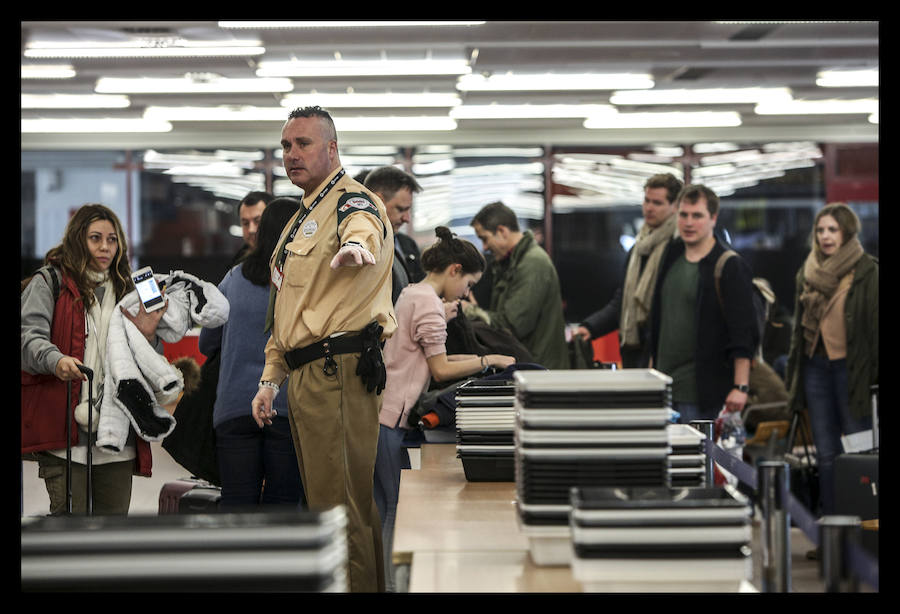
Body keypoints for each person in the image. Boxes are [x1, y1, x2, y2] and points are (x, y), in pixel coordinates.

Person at [250, 105, 396, 593]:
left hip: (339, 370)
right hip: (308, 375)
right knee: (329, 505)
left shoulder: (354, 202)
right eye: (286, 146)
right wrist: (270, 379)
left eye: (303, 144)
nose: (292, 155)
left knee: (341, 509)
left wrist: (358, 246)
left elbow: (362, 227)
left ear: (332, 148)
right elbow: (287, 309)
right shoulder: (300, 218)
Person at [374, 226, 515, 590]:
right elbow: (441, 369)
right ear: (454, 270)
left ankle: (379, 581)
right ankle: (393, 586)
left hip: (378, 415)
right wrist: (490, 359)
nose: (467, 293)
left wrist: (445, 314)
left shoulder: (412, 293)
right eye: (468, 284)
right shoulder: (427, 304)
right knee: (395, 509)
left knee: (382, 506)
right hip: (393, 419)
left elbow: (427, 347)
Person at [21, 203, 166, 515]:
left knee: (112, 536)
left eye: (112, 239)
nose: (105, 247)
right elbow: (27, 337)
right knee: (69, 533)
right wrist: (54, 360)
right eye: (95, 238)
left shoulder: (133, 289)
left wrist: (152, 335)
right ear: (78, 240)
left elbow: (152, 364)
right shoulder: (49, 282)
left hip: (118, 439)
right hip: (64, 437)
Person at [199, 197, 306, 511]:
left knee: (236, 504)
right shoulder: (306, 284)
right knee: (283, 504)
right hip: (287, 407)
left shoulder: (234, 278)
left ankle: (236, 561)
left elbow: (207, 343)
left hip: (235, 407)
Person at [785, 203, 877, 517]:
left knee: (860, 449)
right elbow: (799, 331)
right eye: (820, 230)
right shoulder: (807, 272)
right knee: (826, 454)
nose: (825, 236)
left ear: (847, 232)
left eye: (832, 230)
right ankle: (831, 532)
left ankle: (865, 528)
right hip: (815, 368)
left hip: (853, 371)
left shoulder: (867, 271)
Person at [649, 184, 758, 425]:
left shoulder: (728, 265)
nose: (689, 223)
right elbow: (661, 319)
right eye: (684, 215)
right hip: (664, 387)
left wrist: (741, 386)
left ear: (713, 218)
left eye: (697, 215)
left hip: (703, 392)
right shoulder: (671, 255)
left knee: (698, 461)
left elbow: (743, 331)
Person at [574, 173, 683, 368]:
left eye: (657, 203)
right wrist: (591, 327)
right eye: (646, 200)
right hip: (634, 351)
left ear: (675, 206)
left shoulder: (678, 248)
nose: (649, 208)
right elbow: (623, 300)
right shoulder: (639, 247)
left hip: (662, 354)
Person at [466, 201, 568, 369]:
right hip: (528, 366)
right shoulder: (510, 263)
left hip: (538, 371)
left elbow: (512, 325)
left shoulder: (532, 263)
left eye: (485, 239)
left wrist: (471, 311)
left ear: (502, 231)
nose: (484, 247)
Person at [362, 166, 426, 304]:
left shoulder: (407, 245)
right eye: (401, 209)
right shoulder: (359, 246)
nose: (407, 219)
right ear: (377, 201)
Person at [230, 190, 274, 267]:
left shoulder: (285, 260)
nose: (251, 230)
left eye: (257, 221)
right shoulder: (238, 263)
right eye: (245, 223)